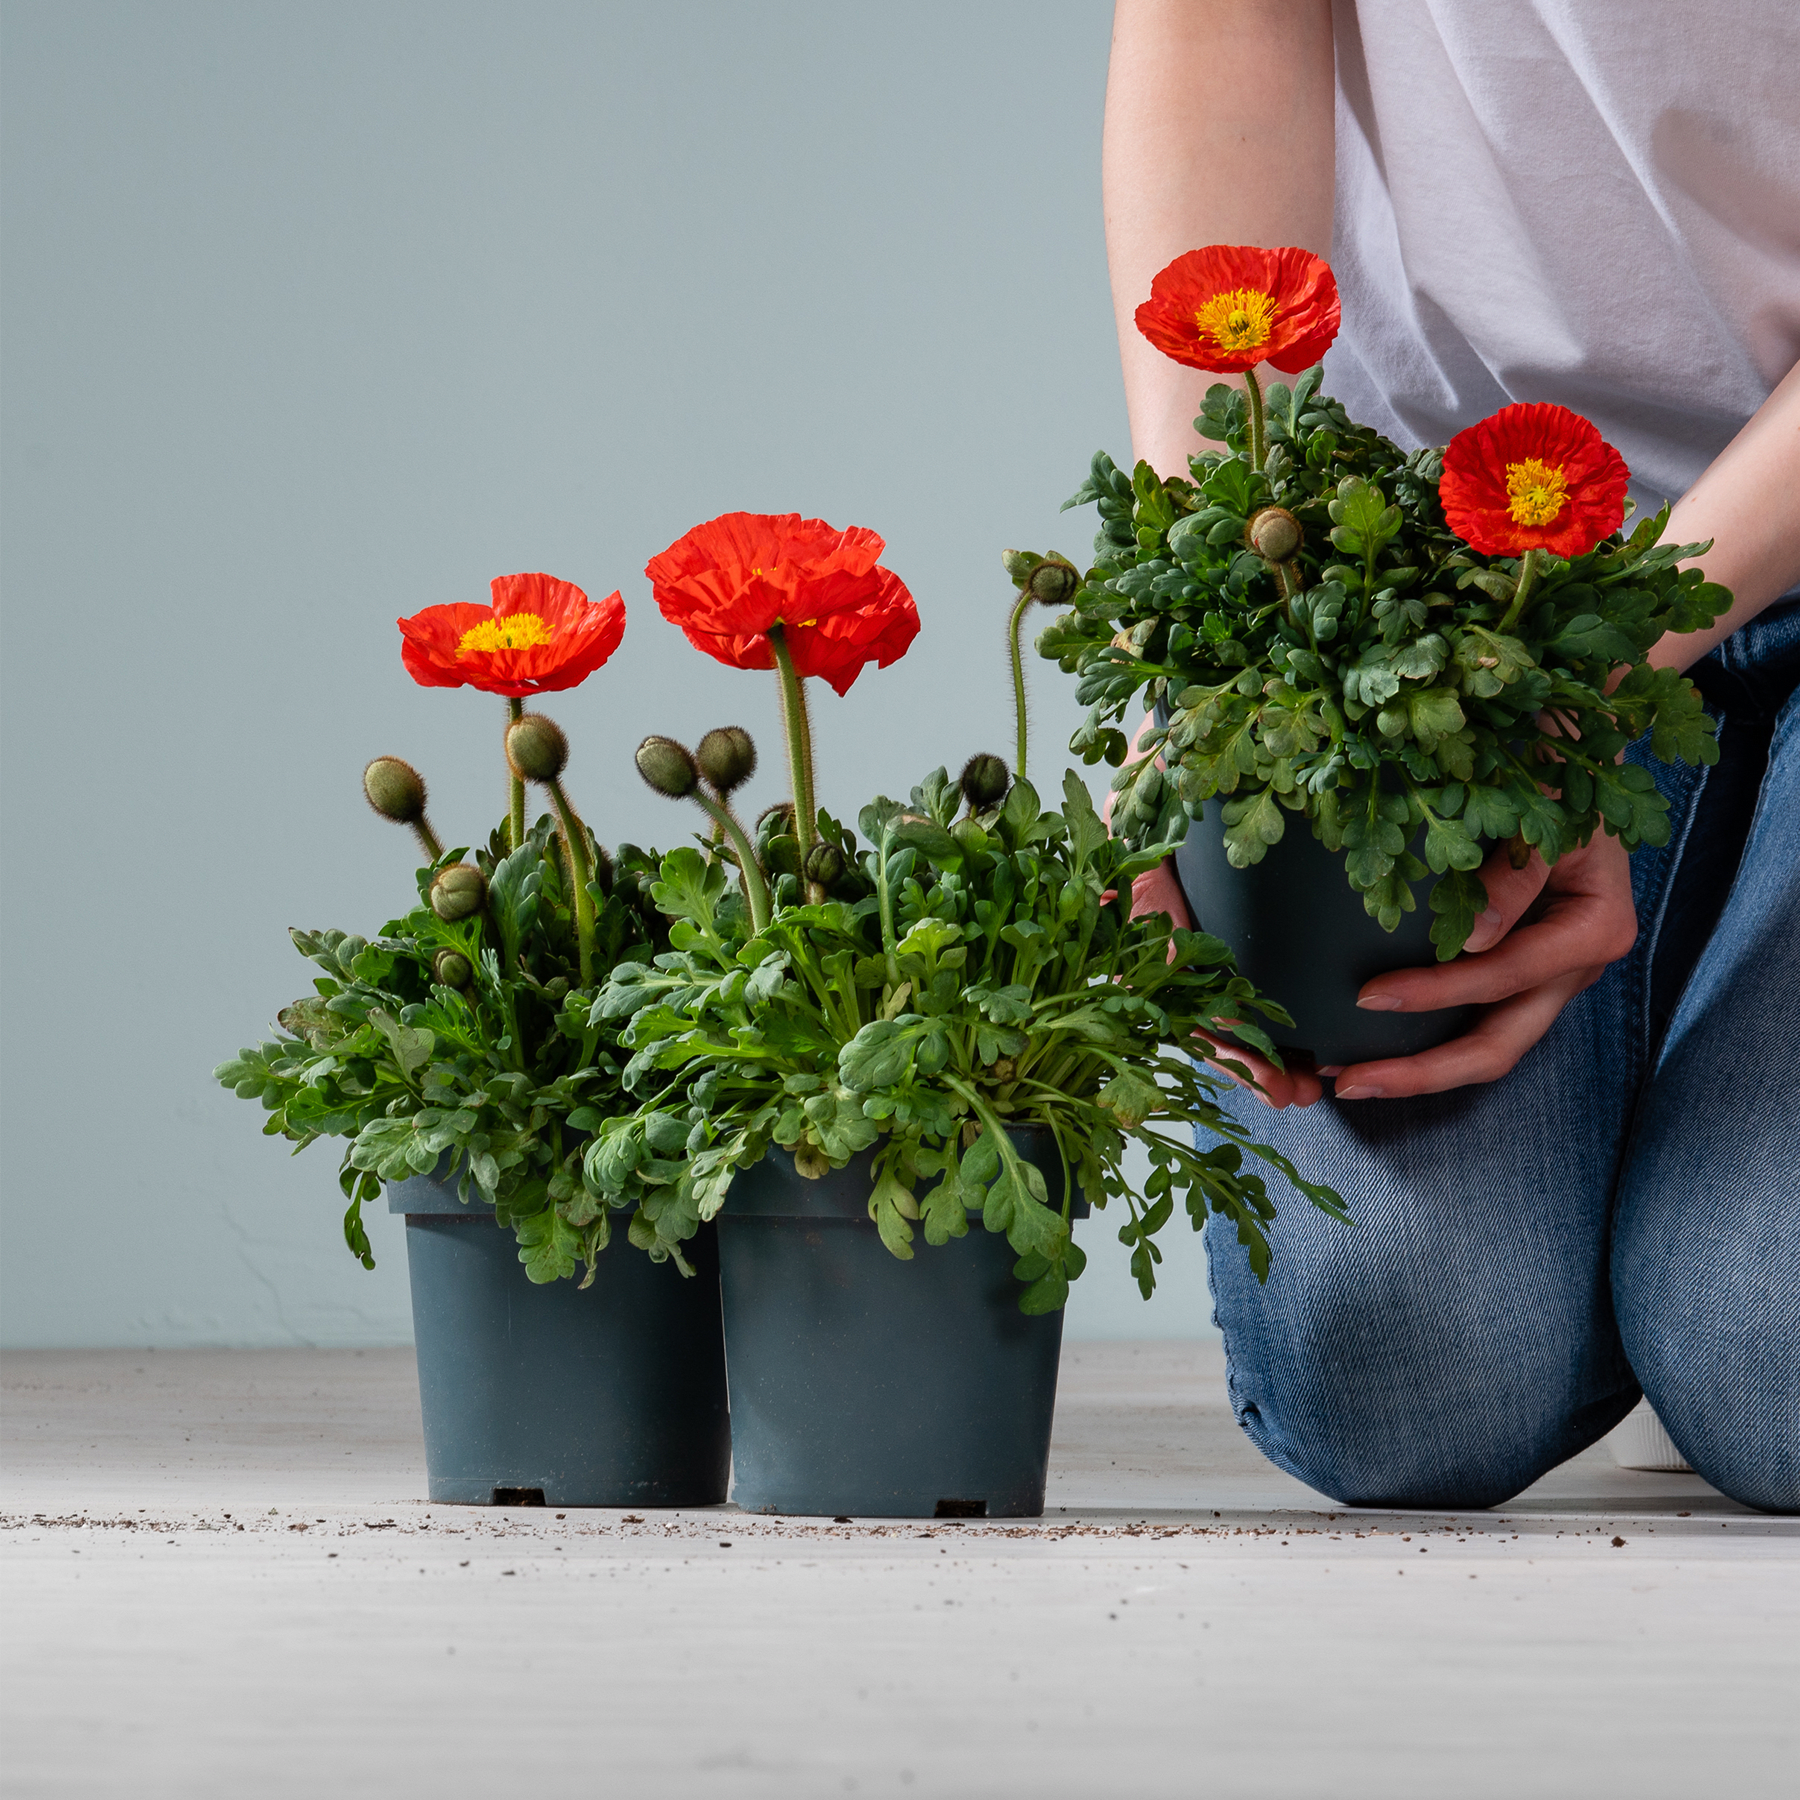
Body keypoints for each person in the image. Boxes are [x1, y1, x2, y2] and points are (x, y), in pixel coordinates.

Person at [1104, 0, 1800, 1512]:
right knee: (1406, 1370)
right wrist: (1214, 641)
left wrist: (1575, 686)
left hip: (1644, 589)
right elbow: (1222, 25)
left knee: (1776, 1357)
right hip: (1442, 545)